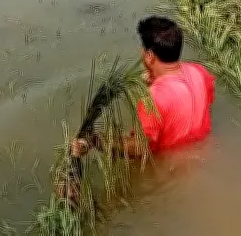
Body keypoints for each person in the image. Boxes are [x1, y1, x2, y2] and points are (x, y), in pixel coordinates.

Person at [70, 16, 215, 159]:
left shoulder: (153, 99)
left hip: (168, 162)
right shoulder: (200, 72)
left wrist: (96, 141)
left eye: (143, 49)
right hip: (200, 149)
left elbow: (139, 148)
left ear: (149, 56)